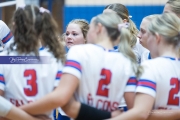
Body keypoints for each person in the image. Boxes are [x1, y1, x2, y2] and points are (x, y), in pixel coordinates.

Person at [20, 12, 141, 120]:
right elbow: (135, 110)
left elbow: (63, 100)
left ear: (98, 28)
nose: (69, 37)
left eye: (74, 34)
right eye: (67, 34)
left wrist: (16, 112)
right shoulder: (126, 62)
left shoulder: (79, 53)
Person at [108, 13, 180, 120]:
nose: (138, 35)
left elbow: (141, 113)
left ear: (157, 37)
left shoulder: (150, 67)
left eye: (144, 32)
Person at [0, 5, 65, 120]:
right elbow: (59, 100)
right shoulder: (55, 60)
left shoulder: (4, 60)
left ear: (14, 25)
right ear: (43, 27)